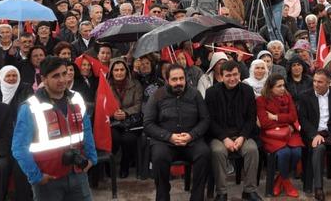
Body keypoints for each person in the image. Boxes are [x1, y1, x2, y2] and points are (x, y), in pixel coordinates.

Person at [11, 57, 96, 200]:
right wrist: (36, 176)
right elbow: (19, 147)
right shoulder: (31, 107)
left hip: (77, 172)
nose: (62, 80)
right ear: (44, 79)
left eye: (64, 73)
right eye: (56, 76)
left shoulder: (76, 98)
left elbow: (86, 130)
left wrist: (92, 159)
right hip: (48, 178)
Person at [143, 64, 211, 201]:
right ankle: (163, 196)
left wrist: (192, 135)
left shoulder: (195, 94)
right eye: (174, 79)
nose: (179, 82)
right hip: (165, 142)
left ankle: (197, 197)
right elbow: (148, 124)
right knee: (159, 157)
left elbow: (205, 120)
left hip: (191, 140)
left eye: (181, 78)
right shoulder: (157, 95)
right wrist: (169, 137)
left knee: (204, 154)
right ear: (167, 80)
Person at [206, 60, 261, 201]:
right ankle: (221, 192)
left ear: (240, 74)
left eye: (235, 74)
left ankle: (249, 190)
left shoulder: (247, 91)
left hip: (242, 134)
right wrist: (224, 138)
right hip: (220, 136)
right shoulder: (212, 92)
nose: (232, 79)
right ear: (222, 76)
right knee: (217, 152)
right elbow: (210, 120)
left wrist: (242, 137)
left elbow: (251, 118)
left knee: (252, 150)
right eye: (228, 75)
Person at [297, 70, 331, 200]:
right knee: (319, 149)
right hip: (315, 133)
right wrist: (314, 134)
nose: (316, 84)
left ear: (328, 82)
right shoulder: (305, 96)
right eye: (314, 81)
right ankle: (318, 188)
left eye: (320, 82)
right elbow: (303, 120)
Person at [256, 73, 303, 199]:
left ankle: (280, 180)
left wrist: (276, 117)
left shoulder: (288, 97)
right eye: (279, 86)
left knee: (297, 152)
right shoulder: (261, 100)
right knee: (285, 153)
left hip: (290, 133)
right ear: (270, 88)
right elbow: (265, 123)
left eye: (283, 85)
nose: (283, 88)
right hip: (272, 135)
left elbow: (293, 116)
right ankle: (287, 183)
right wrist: (285, 124)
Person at [108, 59, 143, 179]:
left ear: (126, 70)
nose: (119, 72)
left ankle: (125, 165)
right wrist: (113, 113)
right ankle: (110, 164)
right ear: (111, 72)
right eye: (116, 70)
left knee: (128, 140)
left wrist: (126, 113)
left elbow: (138, 104)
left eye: (122, 69)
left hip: (130, 122)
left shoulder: (135, 84)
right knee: (115, 138)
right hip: (113, 122)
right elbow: (101, 104)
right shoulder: (106, 85)